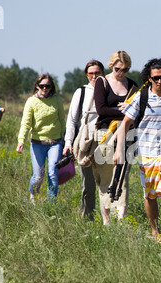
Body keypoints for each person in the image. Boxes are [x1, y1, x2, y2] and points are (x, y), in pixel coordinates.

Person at [114, 58, 161, 241]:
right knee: (150, 195)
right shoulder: (141, 96)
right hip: (146, 154)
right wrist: (119, 150)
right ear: (149, 78)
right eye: (155, 78)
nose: (159, 81)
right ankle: (155, 231)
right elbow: (125, 124)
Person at [93, 51, 137, 225]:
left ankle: (120, 221)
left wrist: (132, 108)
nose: (122, 73)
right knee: (105, 178)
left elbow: (139, 107)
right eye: (119, 69)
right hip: (105, 134)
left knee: (122, 177)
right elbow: (101, 110)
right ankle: (106, 221)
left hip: (127, 133)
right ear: (112, 66)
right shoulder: (102, 82)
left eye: (126, 69)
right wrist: (125, 110)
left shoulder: (132, 85)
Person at [63, 60, 104, 218]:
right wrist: (68, 143)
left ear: (102, 73)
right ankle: (88, 218)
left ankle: (108, 220)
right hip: (85, 143)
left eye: (97, 72)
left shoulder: (109, 90)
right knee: (88, 184)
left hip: (104, 142)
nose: (94, 76)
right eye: (91, 73)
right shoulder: (81, 92)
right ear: (87, 75)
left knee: (106, 183)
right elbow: (72, 121)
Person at [16, 74, 66, 202]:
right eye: (42, 86)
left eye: (47, 86)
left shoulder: (57, 99)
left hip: (55, 142)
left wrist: (65, 139)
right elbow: (26, 123)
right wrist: (21, 140)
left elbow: (62, 120)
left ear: (51, 87)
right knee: (38, 176)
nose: (45, 88)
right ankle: (33, 195)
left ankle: (51, 204)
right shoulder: (31, 101)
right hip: (38, 143)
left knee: (52, 174)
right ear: (37, 86)